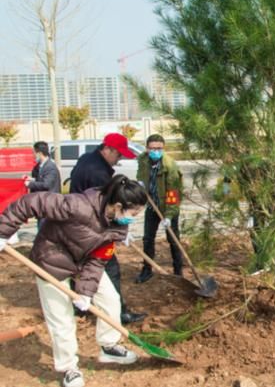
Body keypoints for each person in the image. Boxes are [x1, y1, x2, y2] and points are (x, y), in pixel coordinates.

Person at [0, 175, 147, 387]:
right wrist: (3, 231)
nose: (134, 218)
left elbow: (98, 261)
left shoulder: (117, 227)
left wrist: (86, 293)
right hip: (51, 261)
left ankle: (108, 346)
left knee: (111, 300)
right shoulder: (77, 206)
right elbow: (30, 203)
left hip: (84, 262)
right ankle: (69, 367)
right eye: (134, 213)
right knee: (61, 319)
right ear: (118, 205)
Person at [69, 133, 146, 324]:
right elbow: (107, 207)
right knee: (110, 268)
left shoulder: (87, 158)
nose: (118, 160)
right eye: (118, 155)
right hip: (92, 228)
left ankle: (78, 307)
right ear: (108, 149)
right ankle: (119, 313)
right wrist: (118, 228)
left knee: (79, 267)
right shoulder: (98, 173)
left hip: (78, 227)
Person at [135, 134, 183, 283]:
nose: (155, 151)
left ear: (163, 148)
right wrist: (141, 184)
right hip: (152, 206)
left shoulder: (170, 166)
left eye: (159, 148)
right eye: (152, 148)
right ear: (147, 148)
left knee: (173, 240)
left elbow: (173, 193)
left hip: (168, 207)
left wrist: (169, 216)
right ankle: (147, 270)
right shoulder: (143, 161)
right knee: (148, 239)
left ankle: (178, 271)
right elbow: (140, 175)